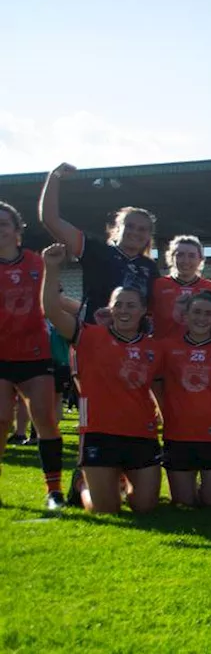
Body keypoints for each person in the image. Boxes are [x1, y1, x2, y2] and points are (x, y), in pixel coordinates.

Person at [42, 244, 163, 514]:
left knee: (145, 507)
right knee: (106, 509)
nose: (124, 310)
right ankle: (82, 485)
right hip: (100, 432)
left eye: (131, 305)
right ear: (110, 308)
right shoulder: (89, 335)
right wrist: (51, 268)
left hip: (141, 432)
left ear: (143, 310)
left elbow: (159, 389)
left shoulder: (154, 347)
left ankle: (115, 478)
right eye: (118, 304)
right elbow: (51, 310)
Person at [0, 202, 68, 509]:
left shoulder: (36, 262)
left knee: (45, 419)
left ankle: (54, 491)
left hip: (34, 354)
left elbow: (54, 299)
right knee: (1, 420)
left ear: (17, 229)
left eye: (5, 223)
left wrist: (90, 313)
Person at [39, 163, 159, 324]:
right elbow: (51, 219)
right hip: (96, 336)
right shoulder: (96, 250)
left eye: (142, 229)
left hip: (134, 342)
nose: (135, 232)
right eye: (129, 226)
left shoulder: (150, 268)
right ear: (117, 228)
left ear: (149, 236)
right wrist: (54, 177)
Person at [154, 291, 211, 506]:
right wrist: (164, 411)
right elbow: (156, 384)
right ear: (186, 315)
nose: (202, 318)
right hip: (178, 434)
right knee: (184, 504)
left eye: (208, 313)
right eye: (197, 312)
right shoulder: (167, 347)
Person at [151, 236, 211, 341]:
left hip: (200, 349)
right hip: (163, 350)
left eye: (192, 256)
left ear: (200, 259)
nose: (185, 261)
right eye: (180, 255)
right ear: (171, 257)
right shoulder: (158, 285)